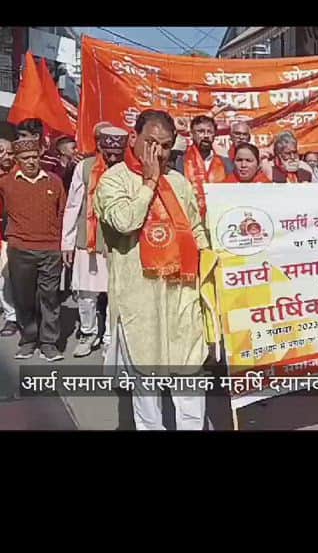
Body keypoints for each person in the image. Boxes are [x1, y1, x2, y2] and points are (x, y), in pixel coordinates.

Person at [94, 109, 210, 431]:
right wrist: (148, 182)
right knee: (146, 387)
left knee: (189, 381)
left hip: (181, 296)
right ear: (134, 138)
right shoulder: (113, 180)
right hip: (139, 302)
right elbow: (124, 221)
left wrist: (213, 261)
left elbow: (196, 228)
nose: (157, 152)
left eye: (165, 145)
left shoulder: (179, 182)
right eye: (151, 143)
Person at [61, 125, 129, 356]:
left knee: (115, 293)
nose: (111, 158)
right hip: (87, 240)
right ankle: (89, 333)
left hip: (118, 242)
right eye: (107, 152)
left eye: (116, 154)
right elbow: (73, 205)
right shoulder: (85, 167)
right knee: (86, 293)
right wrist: (67, 243)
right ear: (99, 145)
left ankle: (110, 338)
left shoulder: (129, 169)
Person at [0, 136, 66, 361]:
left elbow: (63, 213)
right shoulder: (6, 183)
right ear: (17, 159)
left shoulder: (54, 182)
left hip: (50, 249)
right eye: (25, 158)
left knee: (49, 297)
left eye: (35, 157)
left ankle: (49, 343)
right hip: (20, 249)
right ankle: (28, 339)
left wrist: (60, 244)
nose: (31, 162)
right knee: (24, 297)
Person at [175, 114, 233, 216]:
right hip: (190, 219)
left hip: (218, 217)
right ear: (192, 134)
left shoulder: (226, 163)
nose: (206, 135)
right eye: (200, 131)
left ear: (214, 135)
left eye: (209, 132)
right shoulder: (179, 161)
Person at [0, 133, 19, 336]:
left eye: (9, 152)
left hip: (11, 234)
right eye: (1, 152)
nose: (6, 156)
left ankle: (12, 317)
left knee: (6, 278)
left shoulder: (18, 175)